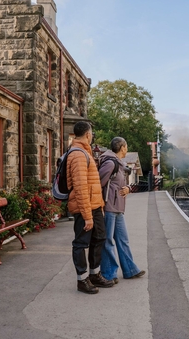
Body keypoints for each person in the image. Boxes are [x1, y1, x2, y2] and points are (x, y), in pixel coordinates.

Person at [67, 121, 114, 294]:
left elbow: (93, 185)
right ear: (88, 134)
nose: (92, 135)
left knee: (99, 238)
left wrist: (99, 206)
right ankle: (82, 279)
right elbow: (80, 187)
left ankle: (94, 274)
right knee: (81, 243)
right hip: (83, 208)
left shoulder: (85, 152)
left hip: (94, 205)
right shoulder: (78, 155)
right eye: (92, 133)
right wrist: (87, 215)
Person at [99, 137, 145, 283]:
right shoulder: (110, 162)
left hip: (118, 207)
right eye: (126, 146)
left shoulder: (119, 164)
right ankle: (108, 274)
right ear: (122, 147)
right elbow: (99, 183)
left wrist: (127, 188)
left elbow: (118, 184)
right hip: (109, 207)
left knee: (123, 239)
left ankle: (130, 270)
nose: (127, 149)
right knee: (108, 241)